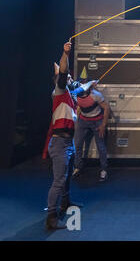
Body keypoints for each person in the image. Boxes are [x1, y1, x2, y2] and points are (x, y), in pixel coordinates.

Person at [45, 41, 95, 230]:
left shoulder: (70, 92)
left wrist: (92, 83)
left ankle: (66, 204)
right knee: (58, 180)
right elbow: (64, 71)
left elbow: (83, 88)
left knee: (66, 178)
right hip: (59, 143)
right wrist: (65, 53)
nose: (70, 78)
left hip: (68, 142)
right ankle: (51, 217)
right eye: (67, 77)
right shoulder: (59, 90)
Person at [72, 66, 110, 182]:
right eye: (81, 83)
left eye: (85, 83)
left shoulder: (96, 95)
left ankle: (104, 170)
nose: (83, 85)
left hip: (97, 121)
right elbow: (79, 108)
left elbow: (106, 108)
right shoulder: (76, 95)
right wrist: (76, 123)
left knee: (100, 146)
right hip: (83, 121)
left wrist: (103, 124)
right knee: (77, 144)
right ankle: (78, 167)